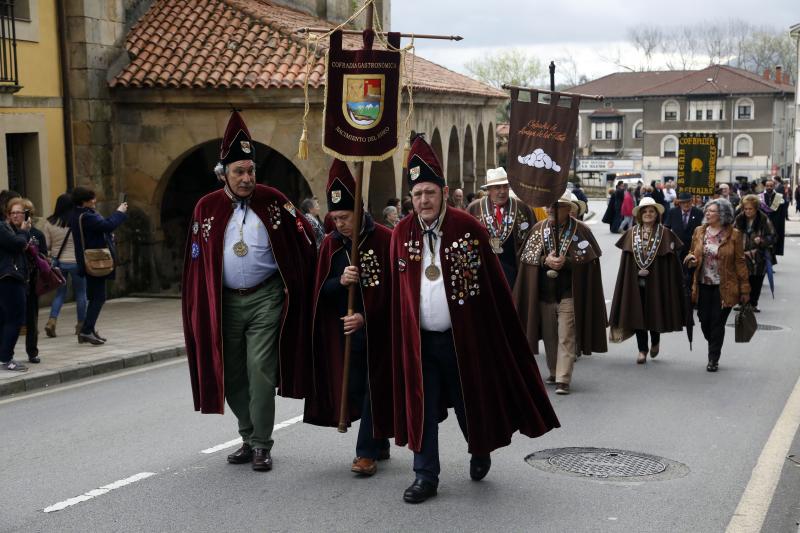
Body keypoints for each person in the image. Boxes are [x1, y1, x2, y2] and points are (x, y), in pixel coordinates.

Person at [391, 135, 559, 504]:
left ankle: (479, 448)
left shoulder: (469, 229)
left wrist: (502, 337)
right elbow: (394, 291)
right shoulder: (402, 234)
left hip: (462, 341)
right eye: (417, 195)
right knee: (424, 408)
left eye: (429, 193)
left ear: (445, 192)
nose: (423, 201)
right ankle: (425, 476)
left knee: (469, 406)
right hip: (420, 343)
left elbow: (495, 290)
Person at [182, 111, 316, 472]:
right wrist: (197, 306)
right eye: (239, 171)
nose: (246, 178)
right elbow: (195, 261)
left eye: (250, 171)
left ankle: (261, 445)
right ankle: (247, 435)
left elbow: (305, 239)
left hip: (266, 298)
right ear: (223, 173)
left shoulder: (274, 200)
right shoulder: (205, 208)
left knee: (260, 370)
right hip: (223, 302)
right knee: (229, 374)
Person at [304, 159, 393, 476]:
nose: (340, 224)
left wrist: (366, 319)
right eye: (335, 218)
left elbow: (395, 293)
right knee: (354, 387)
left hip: (380, 333)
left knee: (373, 386)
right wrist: (339, 281)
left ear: (360, 210)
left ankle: (365, 453)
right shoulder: (330, 245)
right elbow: (321, 292)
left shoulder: (384, 239)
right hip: (345, 335)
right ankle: (379, 439)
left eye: (345, 217)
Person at [513, 191, 608, 395]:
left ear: (569, 209)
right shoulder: (538, 229)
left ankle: (563, 379)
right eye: (548, 206)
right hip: (545, 293)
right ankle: (555, 371)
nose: (549, 209)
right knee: (550, 337)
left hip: (569, 293)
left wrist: (568, 262)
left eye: (556, 206)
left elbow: (590, 263)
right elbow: (527, 259)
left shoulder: (580, 230)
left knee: (566, 335)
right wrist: (544, 261)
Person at [609, 197, 686, 364]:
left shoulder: (665, 233)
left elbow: (671, 262)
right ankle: (642, 350)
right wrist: (635, 273)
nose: (648, 214)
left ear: (656, 214)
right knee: (637, 314)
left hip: (657, 282)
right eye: (645, 211)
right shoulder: (632, 233)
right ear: (640, 214)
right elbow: (626, 262)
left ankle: (655, 341)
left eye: (651, 211)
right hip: (635, 282)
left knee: (654, 312)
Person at [684, 199, 749, 372]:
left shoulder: (734, 234)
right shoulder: (699, 231)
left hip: (725, 286)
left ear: (722, 214)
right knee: (704, 321)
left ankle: (713, 358)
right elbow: (692, 252)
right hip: (703, 284)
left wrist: (745, 289)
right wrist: (690, 259)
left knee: (717, 322)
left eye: (712, 211)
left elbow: (740, 262)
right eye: (707, 210)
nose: (707, 213)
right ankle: (714, 342)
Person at [69, 187, 127, 345]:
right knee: (99, 297)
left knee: (95, 296)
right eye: (92, 199)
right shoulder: (86, 216)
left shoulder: (78, 213)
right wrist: (120, 212)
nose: (95, 201)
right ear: (84, 201)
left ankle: (88, 329)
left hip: (87, 259)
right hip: (94, 261)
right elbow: (108, 225)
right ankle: (87, 330)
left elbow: (99, 229)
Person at [466, 167, 534, 287]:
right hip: (484, 272)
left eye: (505, 186)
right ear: (488, 189)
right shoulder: (474, 208)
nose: (502, 191)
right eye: (497, 187)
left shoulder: (523, 208)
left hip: (515, 273)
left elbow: (533, 241)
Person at [7, 197, 48, 363]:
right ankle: (7, 353)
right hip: (12, 281)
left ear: (27, 215)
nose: (16, 216)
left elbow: (44, 255)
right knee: (10, 319)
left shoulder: (37, 235)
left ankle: (32, 351)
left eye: (20, 213)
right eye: (13, 213)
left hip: (31, 281)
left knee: (32, 318)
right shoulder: (6, 232)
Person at [43, 193, 86, 338]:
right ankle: (81, 325)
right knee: (81, 294)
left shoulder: (49, 222)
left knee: (60, 294)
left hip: (57, 262)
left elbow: (47, 245)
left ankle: (51, 321)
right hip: (76, 262)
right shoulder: (77, 220)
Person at [734, 195, 775, 312]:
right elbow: (732, 233)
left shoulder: (763, 219)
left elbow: (773, 236)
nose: (747, 211)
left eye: (750, 209)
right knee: (742, 279)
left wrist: (762, 240)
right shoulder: (739, 218)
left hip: (758, 256)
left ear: (756, 208)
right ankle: (742, 302)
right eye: (745, 209)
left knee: (756, 280)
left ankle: (753, 303)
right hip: (742, 255)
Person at [759, 179, 785, 259]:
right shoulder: (760, 197)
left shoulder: (779, 197)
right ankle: (767, 262)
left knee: (773, 242)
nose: (769, 187)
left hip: (775, 222)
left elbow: (782, 212)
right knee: (764, 241)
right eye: (767, 186)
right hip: (764, 222)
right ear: (765, 186)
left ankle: (770, 262)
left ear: (774, 186)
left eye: (771, 186)